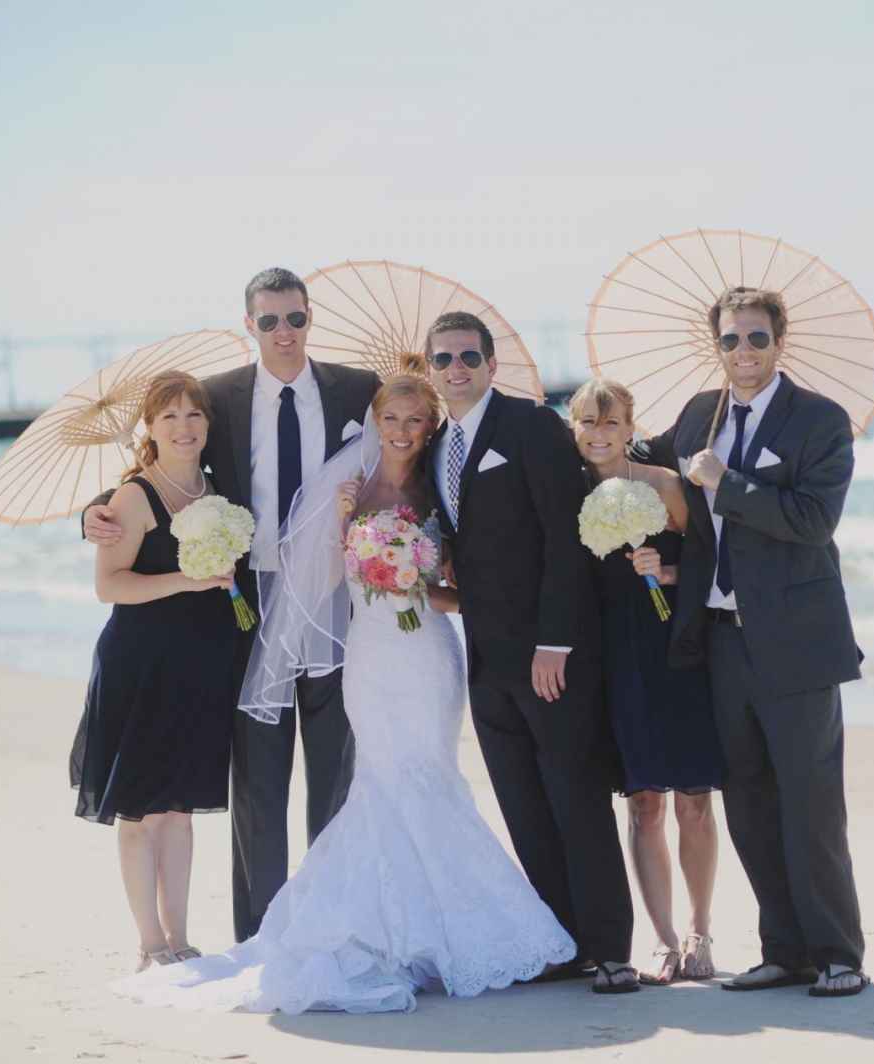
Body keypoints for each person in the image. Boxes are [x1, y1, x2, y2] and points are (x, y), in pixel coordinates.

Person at [113, 368, 576, 1013]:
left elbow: (467, 591)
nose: (403, 431)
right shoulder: (350, 490)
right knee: (378, 783)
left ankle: (440, 931)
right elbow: (323, 574)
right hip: (370, 658)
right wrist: (347, 534)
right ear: (375, 420)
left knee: (431, 776)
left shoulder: (444, 489)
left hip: (426, 655)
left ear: (432, 425)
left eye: (416, 421)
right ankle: (391, 931)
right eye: (391, 419)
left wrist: (416, 584)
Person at [84, 268, 381, 942]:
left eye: (295, 318)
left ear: (311, 318)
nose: (283, 332)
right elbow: (163, 467)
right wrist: (93, 514)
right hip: (247, 609)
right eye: (269, 320)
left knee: (336, 773)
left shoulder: (357, 390)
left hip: (338, 603)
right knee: (258, 781)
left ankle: (332, 926)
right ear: (249, 324)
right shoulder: (218, 399)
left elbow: (403, 453)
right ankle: (263, 935)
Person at [636, 286, 869, 997]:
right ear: (718, 345)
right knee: (750, 801)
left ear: (780, 342)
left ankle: (837, 956)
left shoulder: (821, 422)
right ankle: (784, 950)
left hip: (797, 643)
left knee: (811, 802)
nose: (744, 352)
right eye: (732, 340)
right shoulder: (696, 415)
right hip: (720, 640)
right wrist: (578, 433)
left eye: (757, 339)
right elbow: (632, 454)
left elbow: (811, 520)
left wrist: (727, 483)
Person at [424, 312, 638, 993]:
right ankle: (561, 943)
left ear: (490, 364)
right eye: (443, 359)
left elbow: (564, 539)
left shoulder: (532, 425)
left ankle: (610, 950)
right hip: (484, 657)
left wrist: (556, 643)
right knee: (523, 804)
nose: (456, 368)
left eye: (467, 356)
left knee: (575, 798)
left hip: (551, 658)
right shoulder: (437, 445)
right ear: (430, 369)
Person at [71, 371, 237, 972]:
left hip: (200, 667)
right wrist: (187, 580)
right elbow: (108, 586)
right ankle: (149, 942)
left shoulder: (218, 491)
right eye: (169, 416)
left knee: (180, 807)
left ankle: (182, 935)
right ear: (150, 427)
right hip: (140, 666)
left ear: (208, 425)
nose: (184, 427)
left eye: (194, 415)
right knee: (140, 811)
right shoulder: (132, 497)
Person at [568, 378, 725, 986]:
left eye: (610, 424)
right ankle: (660, 940)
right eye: (587, 423)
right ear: (574, 427)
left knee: (693, 800)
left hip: (674, 655)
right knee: (642, 802)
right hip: (614, 660)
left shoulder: (663, 485)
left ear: (631, 429)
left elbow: (710, 563)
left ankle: (700, 928)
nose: (599, 435)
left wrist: (667, 568)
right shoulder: (568, 493)